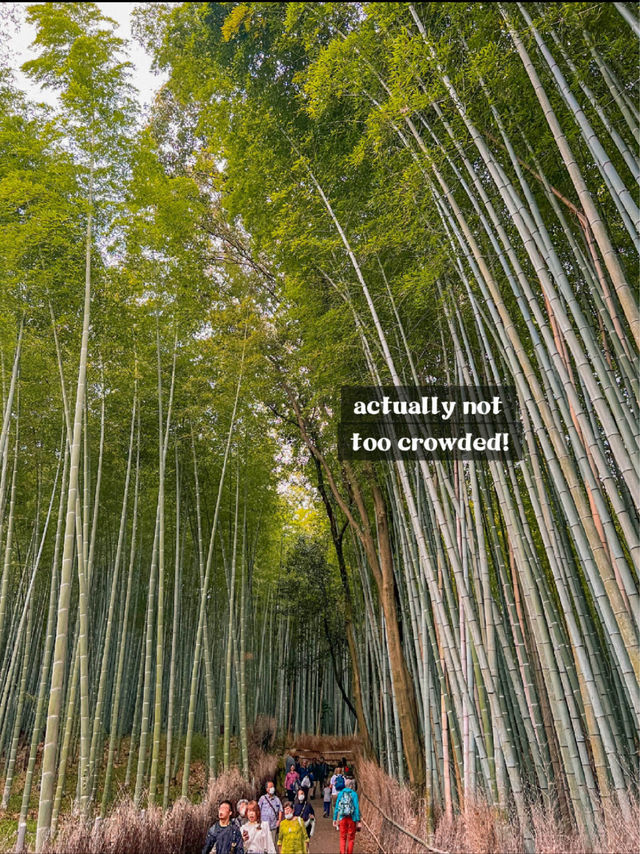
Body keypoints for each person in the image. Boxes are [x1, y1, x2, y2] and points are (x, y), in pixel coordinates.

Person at [333, 777, 361, 854]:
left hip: (342, 818)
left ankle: (342, 852)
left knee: (342, 837)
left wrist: (335, 819)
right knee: (351, 838)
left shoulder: (341, 793)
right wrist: (358, 820)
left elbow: (337, 807)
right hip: (352, 818)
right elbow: (356, 808)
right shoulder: (354, 794)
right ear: (352, 786)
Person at [259, 780, 283, 849]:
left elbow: (280, 810)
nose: (272, 788)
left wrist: (279, 820)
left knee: (272, 845)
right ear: (267, 789)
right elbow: (258, 810)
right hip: (263, 826)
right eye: (270, 787)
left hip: (273, 826)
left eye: (273, 786)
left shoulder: (277, 799)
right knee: (263, 845)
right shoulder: (262, 799)